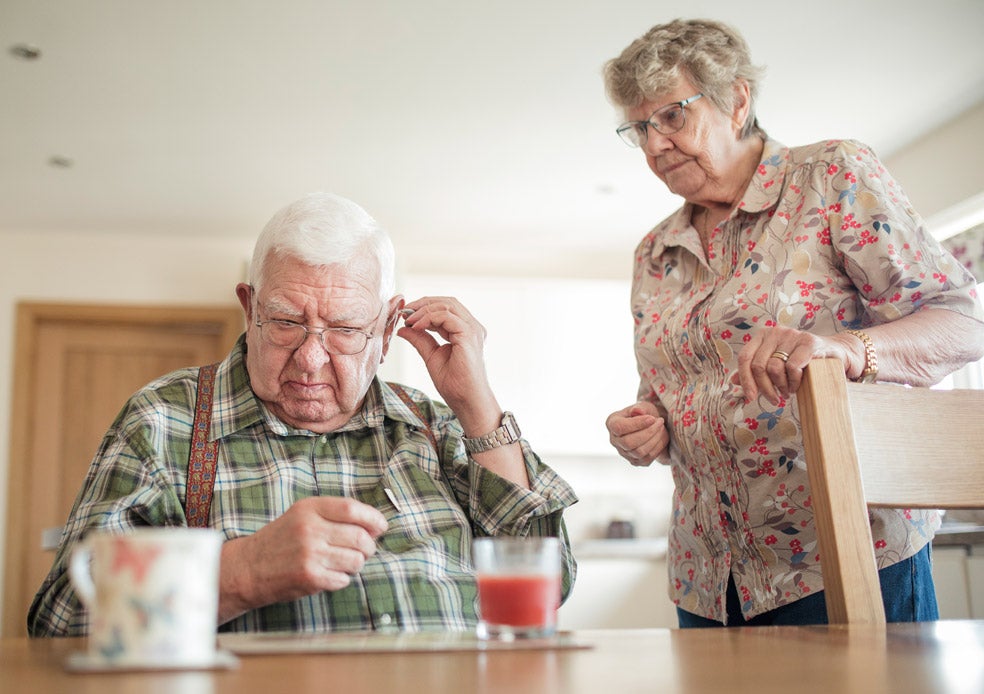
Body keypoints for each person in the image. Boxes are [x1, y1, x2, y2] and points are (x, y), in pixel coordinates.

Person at [29, 192, 578, 636]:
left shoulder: (441, 427)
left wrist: (477, 406)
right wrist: (242, 573)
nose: (312, 359)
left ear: (388, 330)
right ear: (250, 309)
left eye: (343, 329)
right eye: (287, 322)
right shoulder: (163, 421)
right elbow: (61, 622)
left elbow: (549, 588)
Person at [602, 18, 984, 627]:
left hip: (845, 555)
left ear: (735, 99)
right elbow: (668, 394)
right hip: (708, 578)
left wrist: (846, 349)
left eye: (672, 116)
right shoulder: (656, 251)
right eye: (639, 127)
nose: (653, 145)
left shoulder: (831, 176)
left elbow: (961, 321)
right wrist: (647, 427)